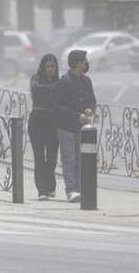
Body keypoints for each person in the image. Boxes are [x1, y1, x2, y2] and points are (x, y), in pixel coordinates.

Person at [54, 49, 97, 203]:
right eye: (84, 60)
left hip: (82, 127)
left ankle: (80, 188)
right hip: (66, 127)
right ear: (78, 63)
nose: (86, 63)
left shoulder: (86, 81)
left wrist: (89, 110)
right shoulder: (64, 81)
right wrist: (77, 116)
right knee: (69, 159)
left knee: (81, 159)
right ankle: (71, 190)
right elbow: (57, 107)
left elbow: (92, 100)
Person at [29, 54, 60, 201]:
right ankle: (42, 189)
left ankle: (50, 186)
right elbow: (35, 89)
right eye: (47, 66)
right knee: (39, 157)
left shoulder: (59, 81)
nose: (50, 70)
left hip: (53, 122)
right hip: (37, 121)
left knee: (52, 157)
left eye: (53, 66)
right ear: (43, 67)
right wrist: (53, 88)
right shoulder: (36, 78)